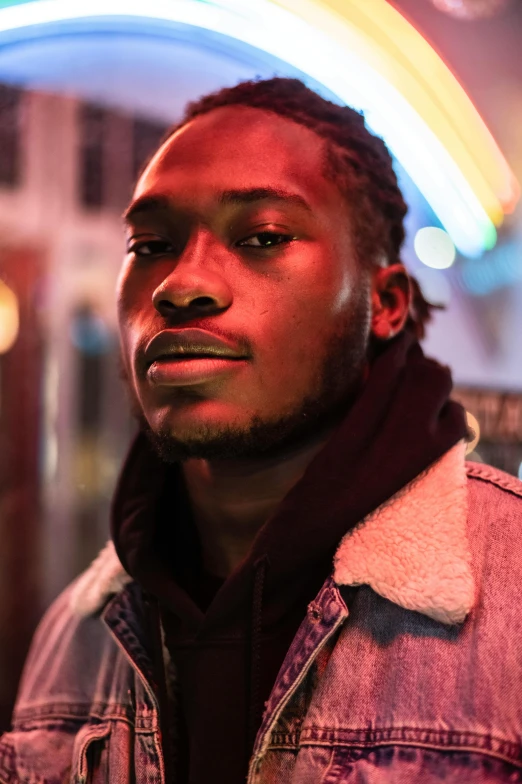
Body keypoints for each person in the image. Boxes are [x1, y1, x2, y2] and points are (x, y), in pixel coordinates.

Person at [2, 77, 522, 784]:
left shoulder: (510, 597)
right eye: (150, 243)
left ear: (387, 302)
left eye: (263, 237)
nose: (179, 286)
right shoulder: (75, 634)